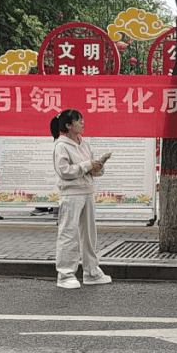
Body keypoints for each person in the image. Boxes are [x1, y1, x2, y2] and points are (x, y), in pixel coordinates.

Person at [51, 108, 111, 289]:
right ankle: (65, 274)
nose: (83, 123)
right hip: (71, 194)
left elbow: (89, 169)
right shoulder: (61, 146)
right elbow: (64, 171)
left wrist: (97, 167)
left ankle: (91, 271)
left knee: (89, 235)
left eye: (82, 119)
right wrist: (87, 165)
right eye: (79, 120)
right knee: (69, 233)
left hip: (87, 191)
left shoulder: (84, 143)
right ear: (69, 125)